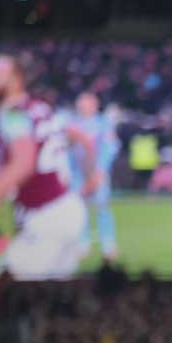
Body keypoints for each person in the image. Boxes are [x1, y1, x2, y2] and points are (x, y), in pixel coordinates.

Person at [0, 54, 99, 280]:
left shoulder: (12, 114)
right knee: (53, 301)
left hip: (46, 218)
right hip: (65, 210)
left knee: (8, 291)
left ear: (16, 78)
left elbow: (23, 164)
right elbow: (84, 139)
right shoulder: (40, 107)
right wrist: (91, 175)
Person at [70, 91, 120, 260]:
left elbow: (110, 148)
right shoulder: (73, 123)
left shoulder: (103, 124)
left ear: (95, 104)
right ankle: (83, 243)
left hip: (97, 173)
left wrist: (100, 170)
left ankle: (108, 244)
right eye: (81, 102)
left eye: (86, 102)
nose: (83, 105)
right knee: (79, 209)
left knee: (102, 207)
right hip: (77, 174)